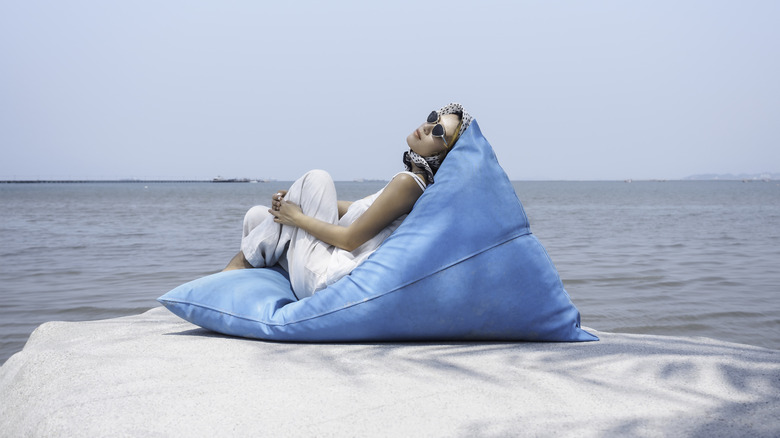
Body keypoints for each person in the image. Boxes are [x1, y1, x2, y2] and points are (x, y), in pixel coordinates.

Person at [223, 103, 473, 299]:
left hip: (322, 277)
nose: (429, 126)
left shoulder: (409, 184)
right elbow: (354, 209)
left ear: (443, 155)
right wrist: (296, 199)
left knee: (317, 178)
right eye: (433, 118)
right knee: (258, 215)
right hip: (319, 268)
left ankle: (234, 271)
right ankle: (247, 282)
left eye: (439, 131)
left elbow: (350, 239)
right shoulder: (411, 182)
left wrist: (297, 217)